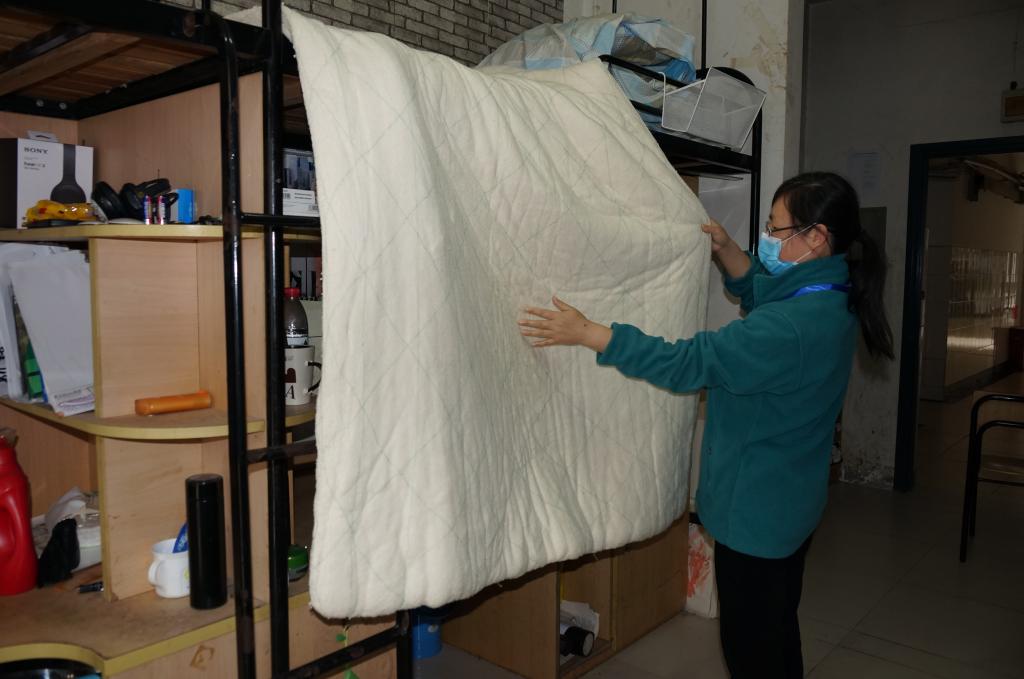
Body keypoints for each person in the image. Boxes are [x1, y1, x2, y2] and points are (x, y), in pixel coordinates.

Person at [518, 172, 893, 679]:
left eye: (776, 229)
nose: (767, 238)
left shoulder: (788, 329)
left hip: (757, 517)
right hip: (790, 505)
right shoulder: (831, 296)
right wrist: (727, 251)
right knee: (776, 627)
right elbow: (766, 292)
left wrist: (590, 333)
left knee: (751, 650)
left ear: (816, 237)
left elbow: (688, 362)